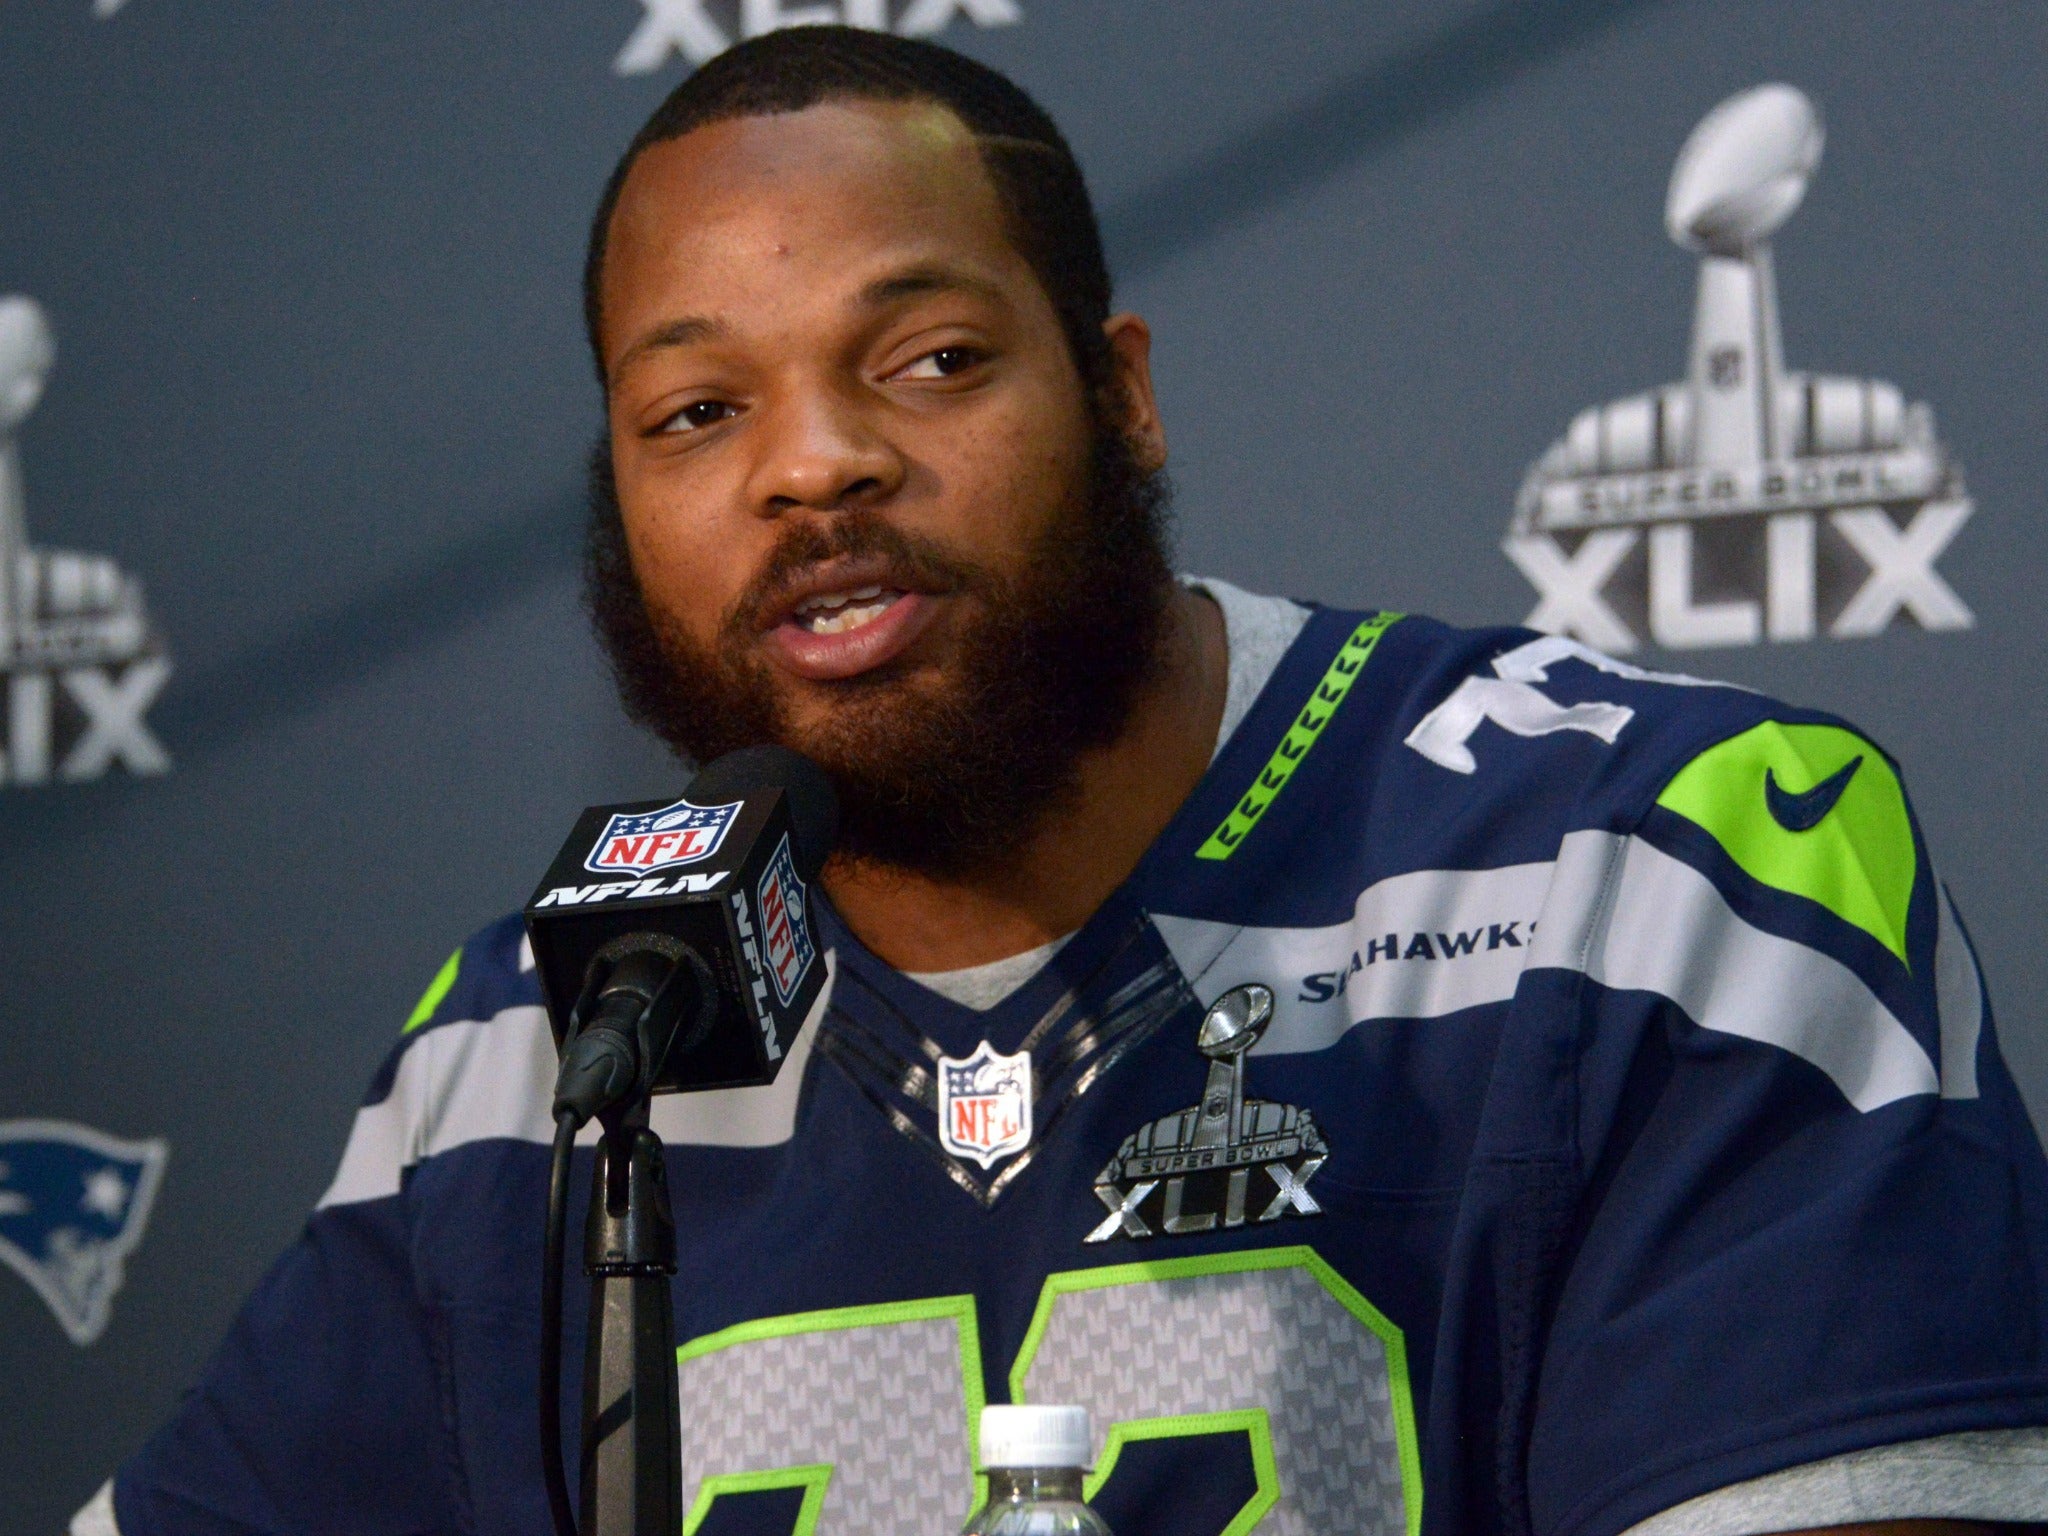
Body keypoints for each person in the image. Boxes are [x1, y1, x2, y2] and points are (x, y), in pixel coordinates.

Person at [77, 26, 2048, 1536]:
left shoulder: (1648, 870)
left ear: (1118, 390)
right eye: (697, 411)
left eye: (929, 360)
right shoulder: (533, 1052)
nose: (813, 464)